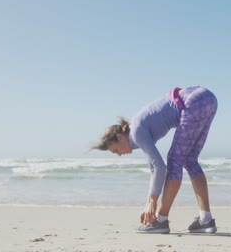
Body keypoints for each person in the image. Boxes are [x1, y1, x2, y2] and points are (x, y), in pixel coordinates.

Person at [91, 86, 218, 234]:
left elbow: (160, 167)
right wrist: (149, 201)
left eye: (115, 150)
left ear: (120, 137)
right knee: (190, 160)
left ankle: (161, 221)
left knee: (174, 160)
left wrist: (152, 202)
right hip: (208, 98)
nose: (119, 154)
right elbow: (154, 167)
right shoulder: (138, 132)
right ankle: (206, 220)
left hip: (193, 100)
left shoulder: (136, 132)